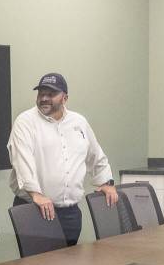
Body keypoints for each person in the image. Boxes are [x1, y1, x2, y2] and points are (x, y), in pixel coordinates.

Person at [7, 73, 118, 246]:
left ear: (65, 98)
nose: (44, 98)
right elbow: (22, 161)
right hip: (34, 210)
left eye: (51, 94)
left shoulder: (79, 122)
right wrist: (36, 194)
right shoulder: (26, 122)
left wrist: (106, 182)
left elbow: (95, 154)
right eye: (41, 93)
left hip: (70, 214)